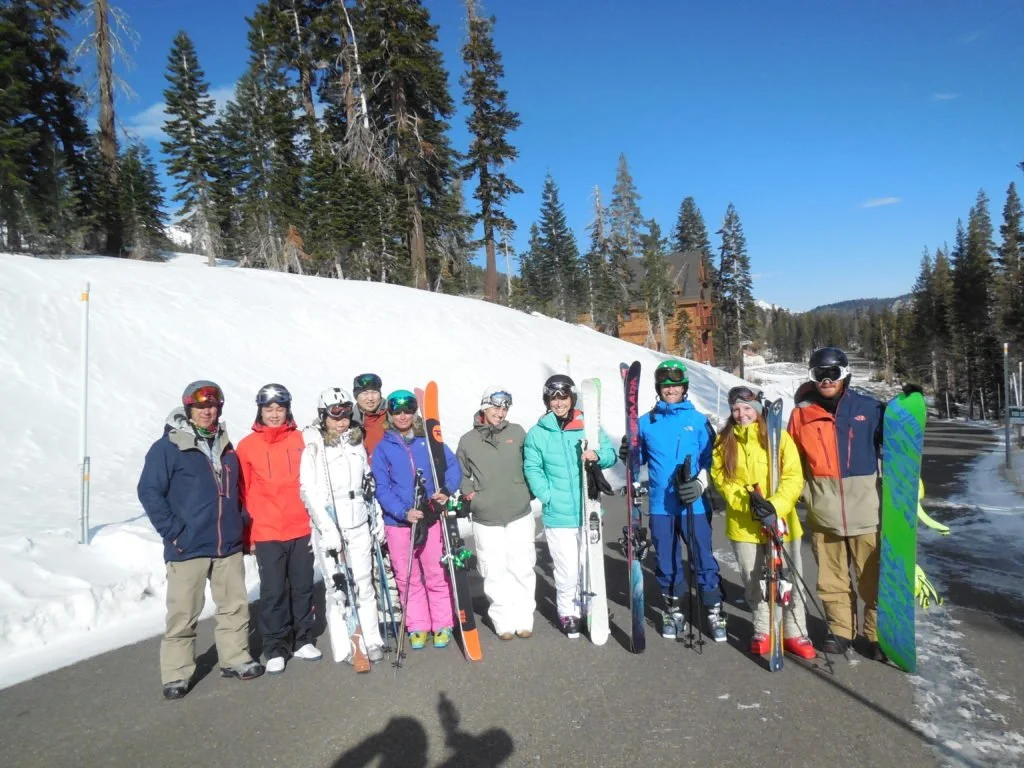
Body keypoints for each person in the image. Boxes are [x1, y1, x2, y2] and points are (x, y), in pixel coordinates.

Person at [137, 380, 264, 700]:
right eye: (201, 407)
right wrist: (174, 532)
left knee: (234, 607)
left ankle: (235, 659)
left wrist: (241, 523)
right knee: (183, 613)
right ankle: (176, 674)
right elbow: (149, 491)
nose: (207, 412)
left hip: (227, 543)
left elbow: (235, 493)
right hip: (188, 546)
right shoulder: (168, 447)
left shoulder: (225, 446)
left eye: (213, 407)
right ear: (188, 409)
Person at [787, 347, 886, 659]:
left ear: (845, 374)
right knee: (831, 578)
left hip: (867, 510)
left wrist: (907, 409)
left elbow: (898, 447)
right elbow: (790, 462)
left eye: (833, 373)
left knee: (872, 577)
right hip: (823, 511)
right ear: (812, 377)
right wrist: (800, 493)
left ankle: (875, 634)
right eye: (820, 374)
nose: (826, 380)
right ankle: (841, 629)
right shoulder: (800, 415)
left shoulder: (869, 408)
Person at [621, 359, 727, 642]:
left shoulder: (698, 421)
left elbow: (712, 461)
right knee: (667, 560)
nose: (671, 390)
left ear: (684, 388)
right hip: (661, 506)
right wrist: (628, 451)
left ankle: (714, 609)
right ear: (659, 389)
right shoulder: (645, 423)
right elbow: (638, 460)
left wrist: (700, 483)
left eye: (676, 385)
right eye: (666, 386)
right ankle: (673, 609)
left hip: (695, 503)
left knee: (703, 558)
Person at [710, 386, 815, 659]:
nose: (742, 414)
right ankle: (763, 630)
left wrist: (775, 506)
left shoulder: (778, 438)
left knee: (788, 578)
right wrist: (749, 505)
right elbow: (721, 479)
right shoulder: (724, 442)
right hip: (745, 524)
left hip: (781, 521)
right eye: (736, 409)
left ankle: (796, 632)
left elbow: (794, 476)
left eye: (747, 409)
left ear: (757, 410)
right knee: (754, 579)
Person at [523, 375, 616, 639]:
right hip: (558, 513)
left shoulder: (587, 425)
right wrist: (546, 495)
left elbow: (610, 454)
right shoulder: (538, 433)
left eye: (564, 397)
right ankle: (569, 612)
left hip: (589, 509)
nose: (559, 403)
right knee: (567, 570)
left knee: (590, 564)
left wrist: (597, 455)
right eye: (554, 398)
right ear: (547, 401)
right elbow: (532, 466)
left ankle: (589, 607)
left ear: (572, 398)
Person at [236, 383, 319, 675]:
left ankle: (302, 639)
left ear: (288, 410)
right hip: (267, 530)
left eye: (279, 409)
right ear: (260, 411)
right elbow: (242, 492)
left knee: (302, 586)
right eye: (268, 409)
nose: (274, 414)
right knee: (273, 592)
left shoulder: (301, 440)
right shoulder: (247, 446)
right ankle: (275, 647)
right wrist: (248, 534)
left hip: (300, 527)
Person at [371, 389, 462, 650]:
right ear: (390, 413)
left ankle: (442, 623)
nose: (402, 416)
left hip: (430, 516)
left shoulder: (428, 441)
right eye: (397, 411)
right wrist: (403, 512)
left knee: (435, 572)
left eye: (407, 410)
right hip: (399, 523)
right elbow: (382, 487)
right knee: (407, 576)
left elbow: (453, 468)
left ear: (414, 412)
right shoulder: (382, 449)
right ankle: (417, 624)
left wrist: (445, 491)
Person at [299, 387, 385, 663]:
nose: (341, 420)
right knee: (339, 589)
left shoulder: (356, 442)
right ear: (323, 416)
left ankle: (372, 639)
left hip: (359, 519)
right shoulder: (314, 448)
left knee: (364, 583)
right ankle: (347, 646)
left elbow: (367, 483)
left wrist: (377, 517)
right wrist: (326, 528)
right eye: (335, 415)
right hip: (332, 523)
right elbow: (308, 491)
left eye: (346, 414)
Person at [456, 387, 535, 640]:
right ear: (484, 408)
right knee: (493, 570)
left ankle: (523, 618)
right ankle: (503, 620)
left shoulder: (518, 433)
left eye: (504, 409)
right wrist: (471, 495)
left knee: (522, 566)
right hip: (486, 516)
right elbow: (461, 474)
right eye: (496, 408)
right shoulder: (468, 440)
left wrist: (528, 491)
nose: (501, 414)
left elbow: (531, 463)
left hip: (518, 511)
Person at [352, 373, 388, 458]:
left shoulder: (393, 414)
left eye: (374, 392)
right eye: (365, 393)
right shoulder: (349, 421)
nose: (370, 398)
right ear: (356, 396)